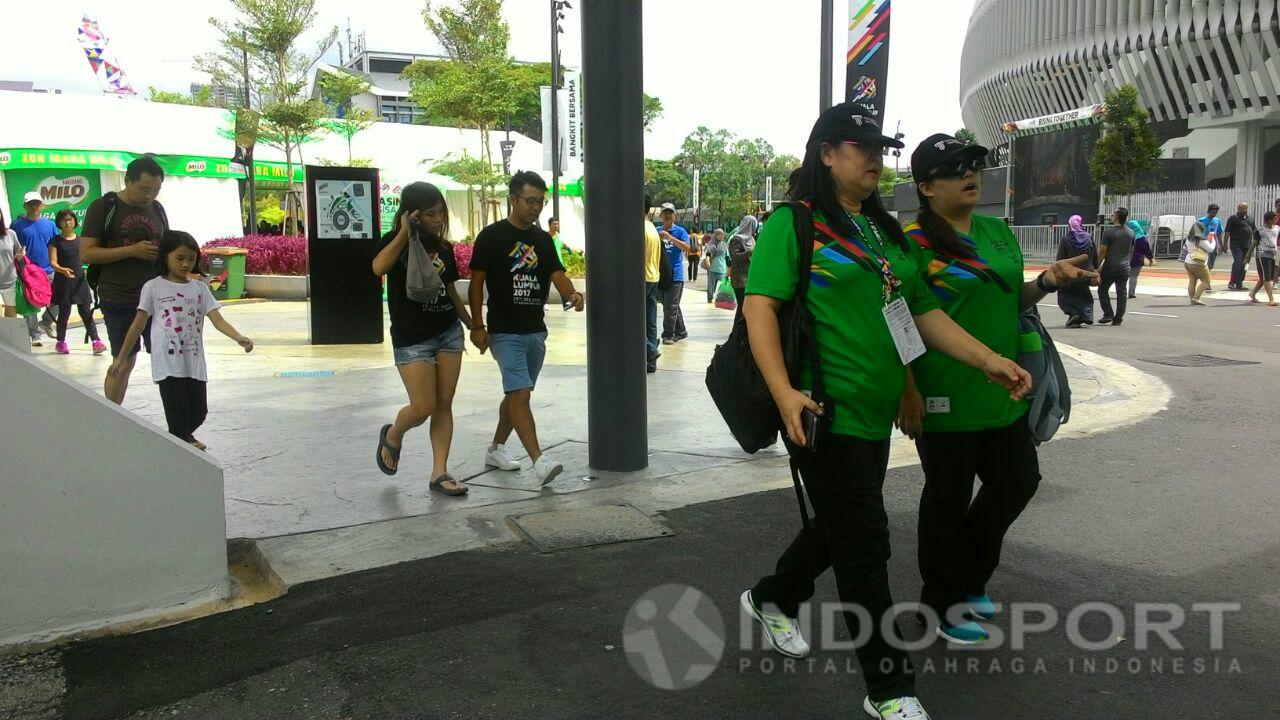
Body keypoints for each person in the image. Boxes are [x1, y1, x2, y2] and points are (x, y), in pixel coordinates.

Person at [740, 103, 1031, 720]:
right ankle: (891, 691)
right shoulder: (795, 224)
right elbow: (759, 308)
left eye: (881, 147)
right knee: (865, 546)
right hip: (824, 410)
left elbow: (918, 314)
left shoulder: (881, 230)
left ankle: (773, 596)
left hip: (873, 416)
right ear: (826, 154)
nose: (876, 158)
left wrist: (986, 360)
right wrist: (785, 393)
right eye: (861, 146)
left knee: (839, 524)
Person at [899, 133, 1095, 646]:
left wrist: (1048, 282)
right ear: (925, 186)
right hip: (943, 394)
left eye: (973, 166)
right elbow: (899, 319)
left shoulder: (997, 231)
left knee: (1018, 481)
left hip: (1005, 387)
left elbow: (1012, 299)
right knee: (947, 498)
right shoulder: (912, 244)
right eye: (955, 169)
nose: (971, 174)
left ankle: (970, 577)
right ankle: (939, 603)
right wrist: (907, 389)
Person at [469, 171, 584, 486]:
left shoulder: (542, 240)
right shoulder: (492, 237)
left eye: (540, 202)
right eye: (530, 201)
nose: (535, 208)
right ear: (514, 199)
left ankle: (496, 448)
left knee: (516, 396)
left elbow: (556, 274)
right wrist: (478, 326)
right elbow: (476, 283)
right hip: (505, 332)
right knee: (520, 394)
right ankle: (539, 460)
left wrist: (572, 293)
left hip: (536, 331)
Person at [372, 182, 473, 496]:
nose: (438, 219)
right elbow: (378, 267)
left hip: (448, 331)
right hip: (412, 336)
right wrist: (405, 232)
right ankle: (394, 433)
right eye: (430, 214)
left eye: (440, 212)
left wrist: (473, 325)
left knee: (444, 404)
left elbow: (452, 291)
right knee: (423, 405)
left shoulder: (443, 247)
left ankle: (439, 472)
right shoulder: (394, 242)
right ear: (411, 214)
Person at [109, 231, 253, 450]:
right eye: (180, 258)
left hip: (193, 360)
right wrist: (120, 359)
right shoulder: (153, 287)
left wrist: (239, 337)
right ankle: (181, 444)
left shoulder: (200, 289)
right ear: (165, 256)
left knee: (199, 412)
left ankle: (180, 440)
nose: (186, 264)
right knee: (177, 415)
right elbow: (138, 324)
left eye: (191, 259)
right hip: (167, 362)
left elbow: (217, 319)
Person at [82, 154, 168, 404]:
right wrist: (131, 251)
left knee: (168, 356)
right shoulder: (104, 207)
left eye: (156, 190)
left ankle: (180, 427)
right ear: (127, 181)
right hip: (119, 296)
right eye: (144, 189)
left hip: (156, 298)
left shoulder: (157, 209)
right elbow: (87, 252)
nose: (149, 196)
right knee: (124, 360)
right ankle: (113, 417)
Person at [48, 209, 105, 355]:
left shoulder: (80, 240)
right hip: (63, 281)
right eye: (64, 220)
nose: (68, 223)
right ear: (59, 223)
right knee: (64, 312)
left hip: (80, 281)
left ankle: (96, 341)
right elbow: (53, 262)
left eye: (70, 220)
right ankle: (61, 342)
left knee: (85, 312)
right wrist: (62, 270)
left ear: (75, 221)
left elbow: (88, 258)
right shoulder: (55, 241)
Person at [11, 192, 60, 345]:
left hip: (49, 270)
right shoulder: (16, 226)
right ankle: (34, 334)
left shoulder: (50, 225)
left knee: (59, 298)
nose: (34, 207)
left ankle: (46, 322)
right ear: (24, 206)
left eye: (37, 203)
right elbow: (12, 247)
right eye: (30, 204)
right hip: (28, 272)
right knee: (30, 304)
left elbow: (57, 246)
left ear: (43, 206)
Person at [657, 203, 691, 344]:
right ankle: (681, 331)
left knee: (671, 307)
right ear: (661, 216)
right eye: (665, 213)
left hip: (675, 275)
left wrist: (670, 238)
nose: (668, 215)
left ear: (674, 215)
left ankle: (668, 334)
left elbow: (687, 247)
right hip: (661, 275)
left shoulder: (680, 231)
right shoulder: (656, 230)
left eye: (670, 213)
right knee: (670, 305)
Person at [1056, 215, 1098, 327]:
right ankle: (1086, 316)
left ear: (1069, 225)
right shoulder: (1089, 237)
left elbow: (1060, 258)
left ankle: (1073, 313)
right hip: (1085, 273)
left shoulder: (1066, 239)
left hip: (1070, 274)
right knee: (1085, 296)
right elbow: (1095, 255)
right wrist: (1095, 267)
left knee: (1064, 295)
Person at [1096, 207, 1135, 326]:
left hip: (1110, 267)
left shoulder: (1109, 232)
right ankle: (1118, 318)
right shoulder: (1130, 232)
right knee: (1121, 293)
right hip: (1124, 267)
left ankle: (1108, 313)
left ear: (1117, 216)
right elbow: (1132, 250)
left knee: (1102, 290)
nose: (1111, 216)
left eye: (1113, 214)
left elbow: (1103, 251)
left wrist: (1096, 265)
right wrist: (1128, 261)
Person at [643, 198, 662, 373]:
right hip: (653, 276)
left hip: (641, 278)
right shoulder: (652, 228)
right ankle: (651, 363)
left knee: (634, 321)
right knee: (650, 321)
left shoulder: (639, 228)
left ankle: (650, 350)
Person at [728, 215, 759, 318]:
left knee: (747, 308)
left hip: (750, 277)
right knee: (742, 308)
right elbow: (735, 257)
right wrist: (750, 253)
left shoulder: (752, 239)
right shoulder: (736, 239)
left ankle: (743, 332)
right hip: (740, 278)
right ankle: (737, 332)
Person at [1181, 219, 1216, 306]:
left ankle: (1192, 298)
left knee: (1192, 280)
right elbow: (1210, 249)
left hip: (1187, 262)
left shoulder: (1189, 239)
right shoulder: (1200, 240)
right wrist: (1213, 240)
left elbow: (1185, 248)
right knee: (1206, 281)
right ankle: (1196, 298)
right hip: (1198, 263)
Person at [1247, 211, 1278, 306]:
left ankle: (1252, 294)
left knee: (1263, 277)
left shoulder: (1277, 228)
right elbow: (1253, 244)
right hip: (1262, 255)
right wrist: (1248, 255)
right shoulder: (1260, 231)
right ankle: (1271, 299)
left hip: (1272, 255)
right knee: (1267, 278)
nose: (1276, 220)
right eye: (1274, 218)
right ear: (1269, 220)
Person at [1225, 202, 1258, 291]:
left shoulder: (1250, 218)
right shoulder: (1232, 219)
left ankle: (1239, 283)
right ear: (1238, 209)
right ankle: (1232, 282)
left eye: (1245, 209)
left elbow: (1254, 230)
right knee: (1238, 262)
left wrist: (1257, 240)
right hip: (1236, 245)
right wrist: (1224, 245)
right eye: (1241, 209)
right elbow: (1227, 232)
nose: (1243, 211)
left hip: (1247, 246)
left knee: (1245, 264)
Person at [0, 207, 22, 318]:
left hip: (10, 281)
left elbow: (18, 252)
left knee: (11, 314)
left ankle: (8, 335)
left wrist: (20, 255)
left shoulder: (10, 234)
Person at [1127, 219, 1154, 299]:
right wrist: (1150, 259)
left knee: (1123, 277)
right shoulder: (1142, 239)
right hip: (1137, 259)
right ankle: (1131, 293)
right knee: (1133, 276)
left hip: (1126, 259)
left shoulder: (1127, 236)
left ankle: (1121, 292)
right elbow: (1147, 250)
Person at [702, 228, 728, 304]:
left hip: (721, 267)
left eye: (721, 234)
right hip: (712, 267)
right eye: (717, 234)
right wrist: (707, 260)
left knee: (722, 284)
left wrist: (729, 267)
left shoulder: (724, 245)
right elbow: (708, 254)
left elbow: (727, 257)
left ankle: (721, 298)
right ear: (715, 235)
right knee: (711, 284)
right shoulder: (711, 244)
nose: (719, 236)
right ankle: (710, 298)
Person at [1200, 203, 1224, 274]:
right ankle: (1203, 274)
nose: (1214, 214)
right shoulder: (1201, 220)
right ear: (1208, 211)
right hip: (1204, 242)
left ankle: (1208, 273)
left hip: (1213, 242)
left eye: (1216, 213)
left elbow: (1219, 233)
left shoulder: (1217, 220)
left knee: (1211, 260)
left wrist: (1220, 245)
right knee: (1203, 259)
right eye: (1213, 213)